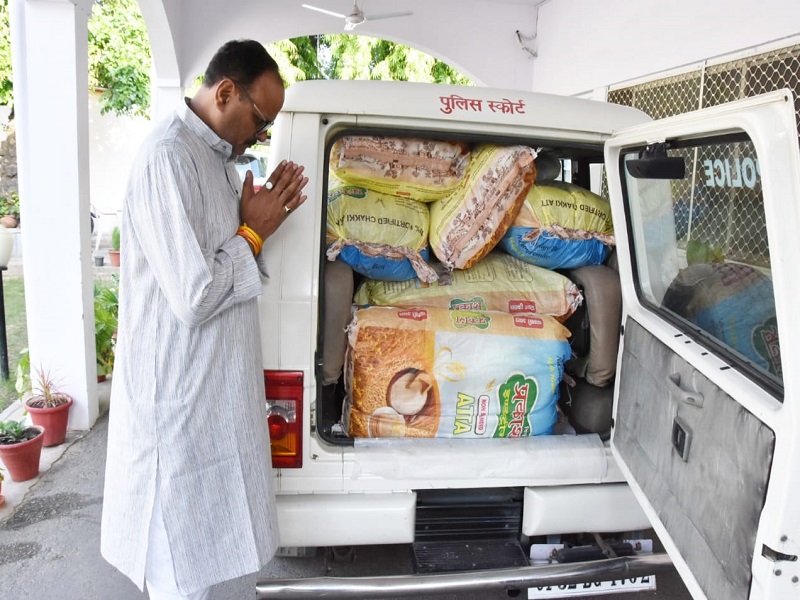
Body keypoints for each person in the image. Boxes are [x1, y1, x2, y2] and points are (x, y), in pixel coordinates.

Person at [100, 39, 308, 600]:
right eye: (261, 120)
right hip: (176, 409)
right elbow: (195, 294)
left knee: (195, 571)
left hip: (206, 400)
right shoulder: (168, 157)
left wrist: (248, 227)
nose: (261, 136)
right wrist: (253, 232)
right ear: (224, 93)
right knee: (176, 574)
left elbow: (221, 261)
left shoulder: (215, 160)